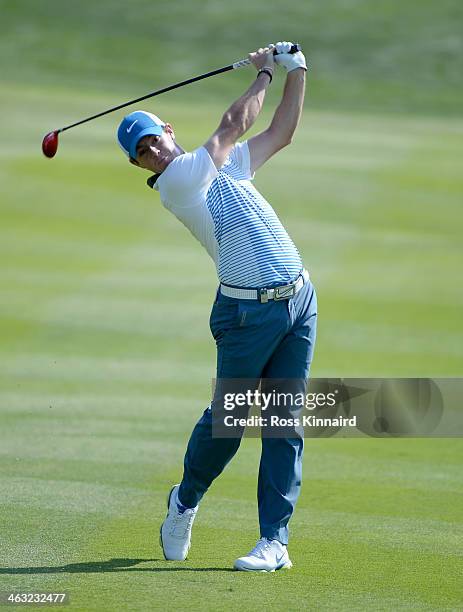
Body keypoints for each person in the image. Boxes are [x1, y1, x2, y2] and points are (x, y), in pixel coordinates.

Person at [116, 41, 317, 572]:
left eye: (154, 139)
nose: (152, 152)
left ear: (169, 132)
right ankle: (184, 501)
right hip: (246, 316)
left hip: (298, 302)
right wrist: (264, 74)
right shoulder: (178, 184)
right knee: (229, 425)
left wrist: (297, 70)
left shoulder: (228, 169)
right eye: (142, 152)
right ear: (141, 166)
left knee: (284, 423)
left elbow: (279, 133)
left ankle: (275, 542)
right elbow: (232, 125)